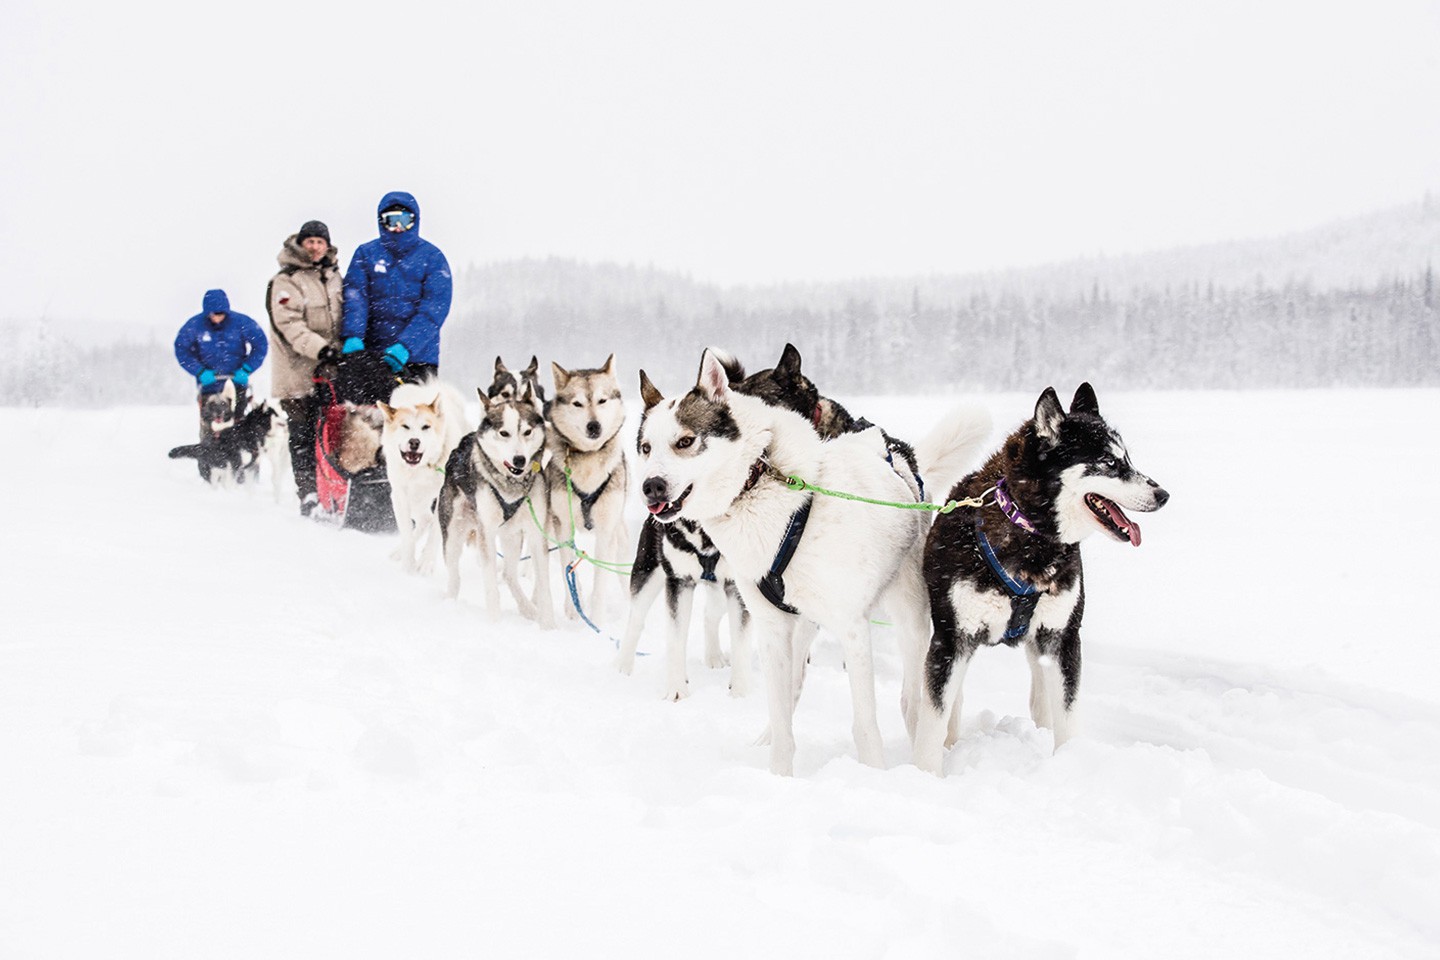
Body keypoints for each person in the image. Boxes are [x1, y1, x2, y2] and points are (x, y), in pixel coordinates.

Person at [266, 220, 344, 515]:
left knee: (332, 434)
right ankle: (309, 494)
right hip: (297, 373)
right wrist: (321, 349)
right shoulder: (286, 281)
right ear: (300, 244)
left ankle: (333, 490)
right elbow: (289, 324)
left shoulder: (334, 277)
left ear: (327, 246)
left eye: (319, 242)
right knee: (303, 435)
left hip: (331, 373)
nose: (314, 247)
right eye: (309, 241)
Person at [341, 191, 452, 383]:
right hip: (373, 358)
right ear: (381, 222)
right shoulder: (365, 254)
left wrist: (406, 346)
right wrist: (353, 336)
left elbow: (434, 310)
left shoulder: (433, 258)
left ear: (415, 221)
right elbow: (355, 298)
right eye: (392, 220)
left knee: (417, 412)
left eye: (404, 220)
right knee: (372, 413)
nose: (398, 227)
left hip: (419, 359)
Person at [173, 289, 268, 414]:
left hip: (237, 383)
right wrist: (199, 371)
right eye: (214, 314)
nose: (217, 318)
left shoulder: (241, 323)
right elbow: (181, 349)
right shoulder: (194, 326)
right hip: (208, 385)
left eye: (221, 314)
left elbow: (261, 344)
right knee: (211, 424)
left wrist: (247, 369)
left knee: (239, 423)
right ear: (207, 313)